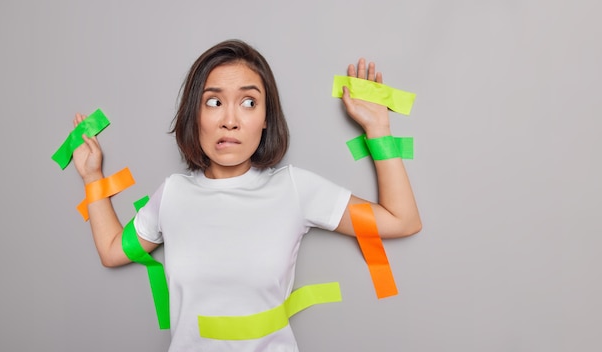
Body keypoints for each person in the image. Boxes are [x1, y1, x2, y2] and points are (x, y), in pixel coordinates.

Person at [72, 39, 421, 352]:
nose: (230, 120)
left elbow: (401, 220)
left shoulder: (295, 189)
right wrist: (92, 177)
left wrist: (379, 129)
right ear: (196, 114)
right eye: (213, 102)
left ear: (266, 118)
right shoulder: (173, 194)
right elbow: (112, 250)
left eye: (249, 102)